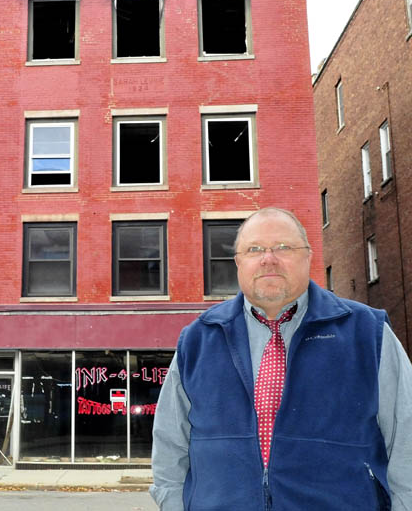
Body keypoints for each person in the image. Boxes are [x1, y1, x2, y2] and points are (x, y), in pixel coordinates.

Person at [150, 207, 412, 510]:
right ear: (238, 262)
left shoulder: (367, 333)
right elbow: (170, 443)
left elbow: (406, 435)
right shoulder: (198, 339)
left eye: (284, 247)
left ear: (308, 256)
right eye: (254, 249)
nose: (268, 259)